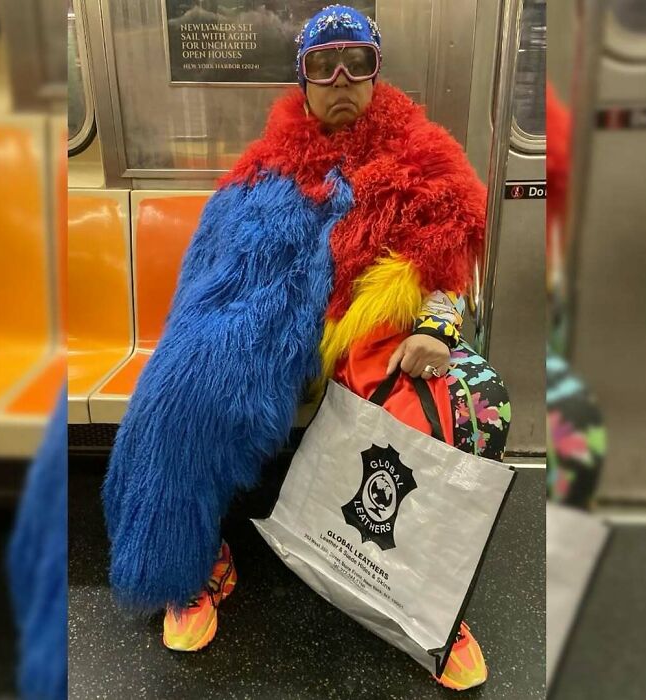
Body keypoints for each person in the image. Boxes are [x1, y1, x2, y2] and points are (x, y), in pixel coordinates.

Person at [103, 5, 510, 692]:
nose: (342, 78)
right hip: (269, 326)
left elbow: (449, 260)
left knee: (472, 409)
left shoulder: (421, 154)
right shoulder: (269, 163)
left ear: (378, 72)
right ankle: (194, 561)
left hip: (377, 331)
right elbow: (219, 264)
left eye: (359, 62)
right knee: (185, 390)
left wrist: (434, 329)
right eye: (324, 65)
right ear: (304, 77)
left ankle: (433, 606)